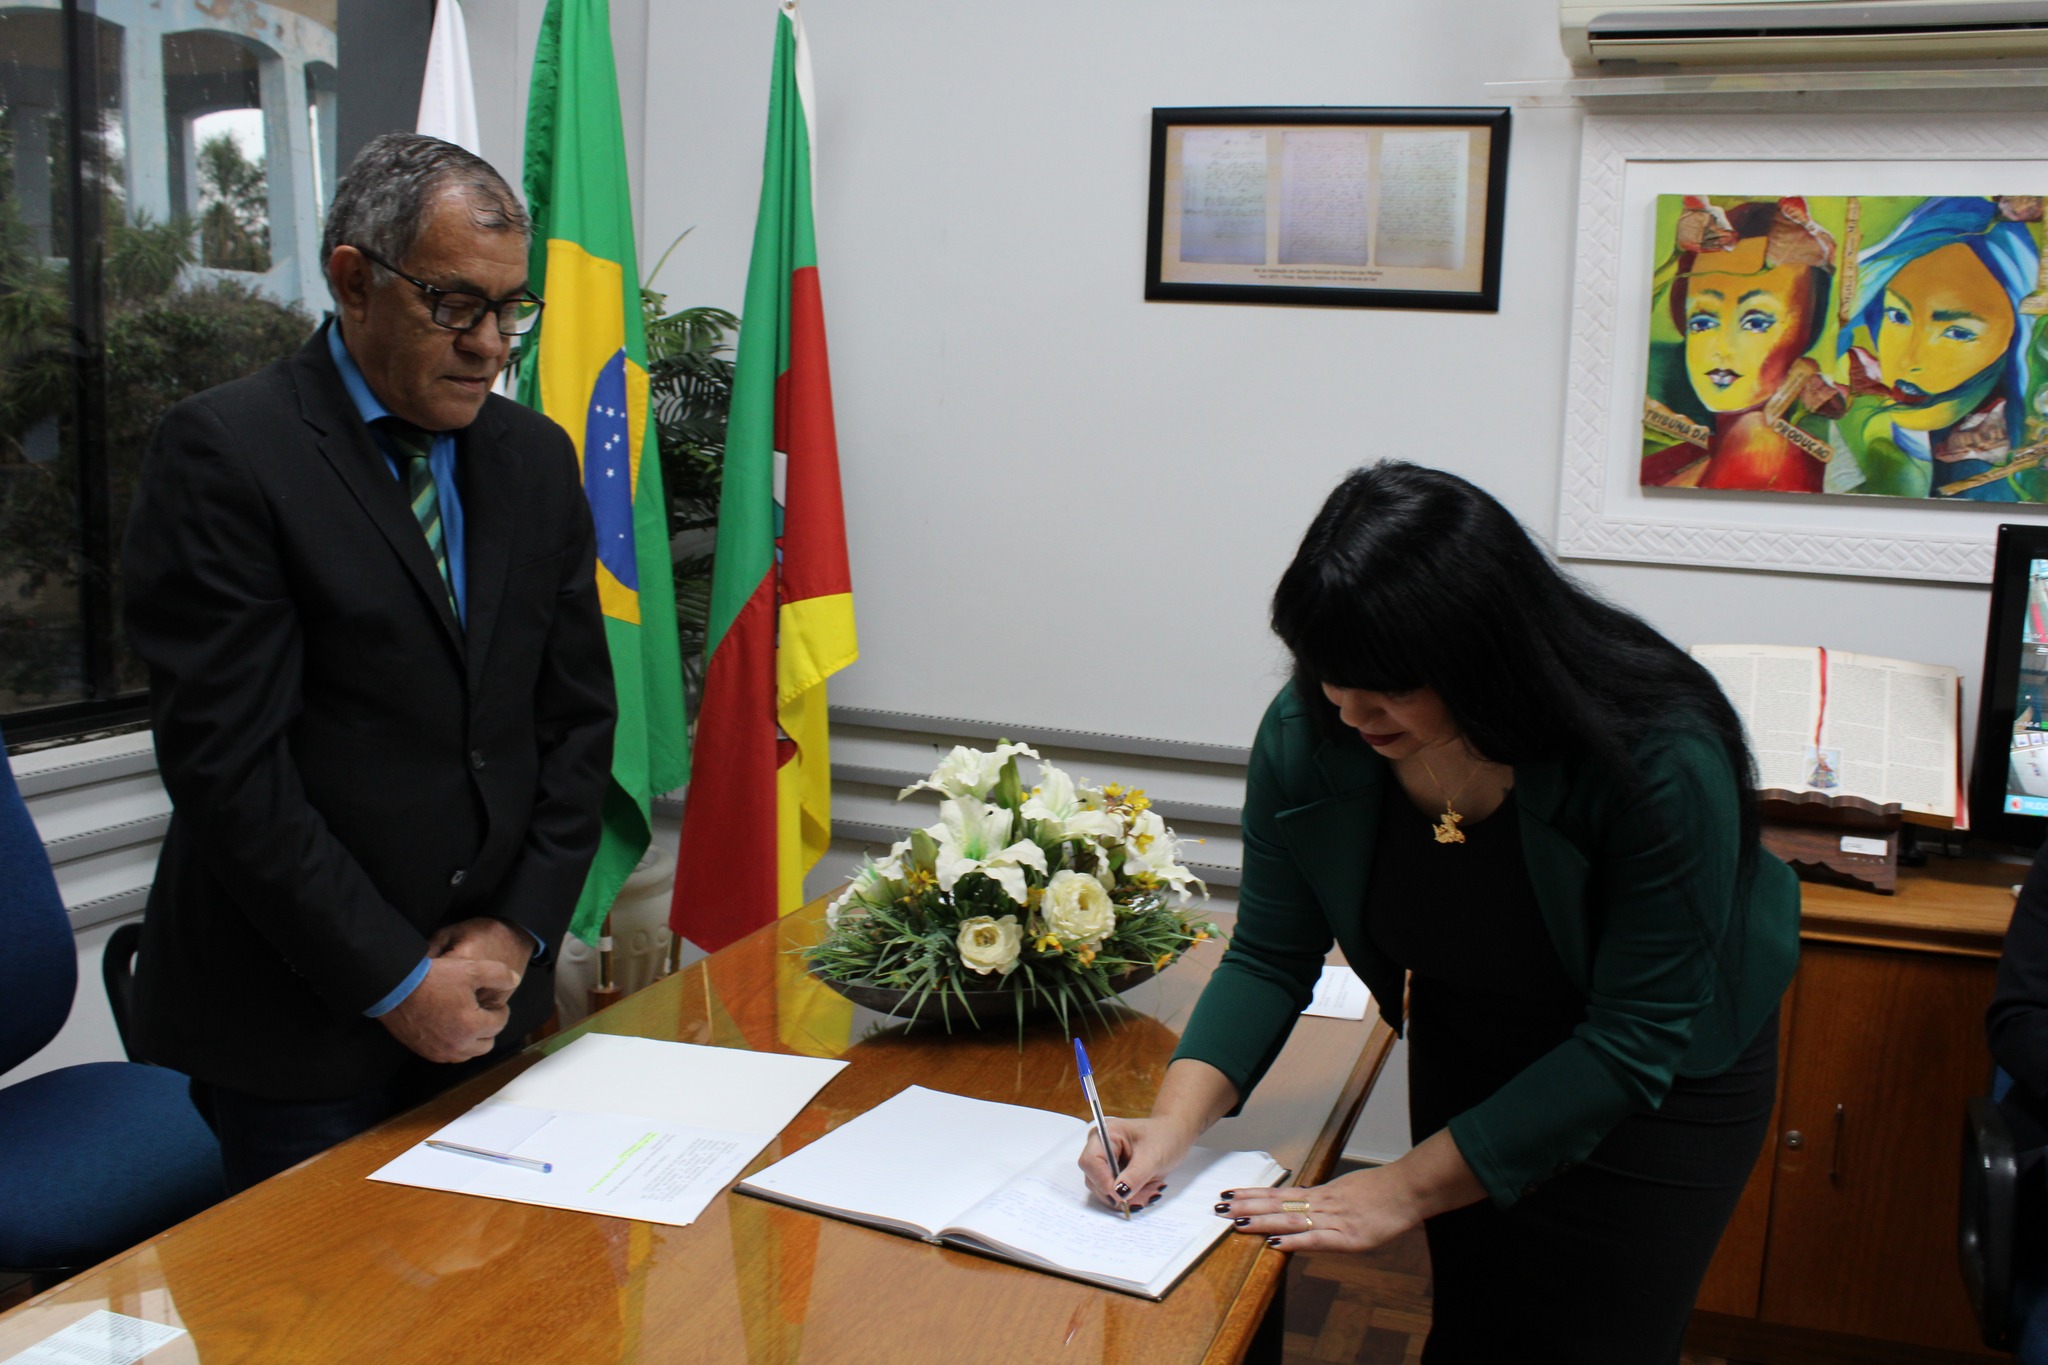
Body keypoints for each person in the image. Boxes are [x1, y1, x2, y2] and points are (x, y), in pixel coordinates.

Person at [1081, 463, 1801, 1363]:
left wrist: (1402, 1186)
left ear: (1483, 658)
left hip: (1660, 1074)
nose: (1349, 710)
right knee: (1476, 1325)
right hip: (1480, 1031)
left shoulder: (1653, 755)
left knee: (1596, 1338)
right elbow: (1269, 953)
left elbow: (1634, 1039)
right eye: (1326, 672)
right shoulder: (1316, 728)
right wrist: (1173, 1122)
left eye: (1384, 684)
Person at [122, 133, 616, 1194]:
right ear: (353, 280)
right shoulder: (227, 452)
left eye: (509, 310)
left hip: (492, 997)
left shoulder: (534, 458)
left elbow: (575, 722)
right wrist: (396, 980)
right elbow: (229, 769)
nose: (489, 345)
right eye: (454, 306)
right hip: (300, 1025)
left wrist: (516, 931)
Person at [1836, 194, 2042, 501]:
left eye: (1958, 333)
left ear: (2017, 341)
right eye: (1897, 316)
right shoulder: (1854, 422)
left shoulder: (2013, 483)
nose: (1908, 360)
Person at [1642, 196, 1838, 493]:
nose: (1723, 347)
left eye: (1756, 323)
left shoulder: (1761, 452)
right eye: (1703, 322)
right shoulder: (1706, 444)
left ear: (1807, 330)